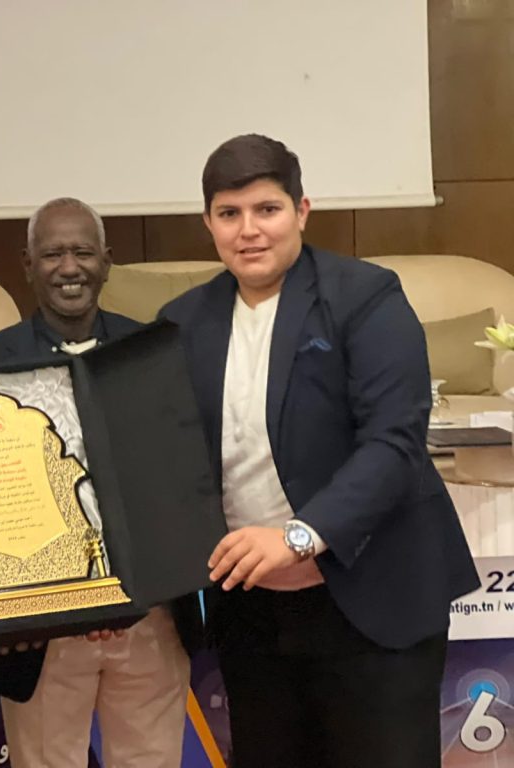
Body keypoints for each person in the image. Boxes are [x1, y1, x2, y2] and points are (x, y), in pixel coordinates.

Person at [159, 134, 479, 768]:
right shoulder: (181, 322)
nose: (249, 230)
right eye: (229, 213)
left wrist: (301, 536)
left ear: (302, 211)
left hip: (372, 596)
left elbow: (393, 443)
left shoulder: (366, 296)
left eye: (267, 209)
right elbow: (164, 461)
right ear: (208, 224)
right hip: (254, 613)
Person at [0, 197, 199, 768]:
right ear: (27, 265)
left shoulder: (153, 352)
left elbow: (183, 478)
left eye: (83, 252)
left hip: (149, 616)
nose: (69, 268)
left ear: (107, 261)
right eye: (52, 254)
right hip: (42, 632)